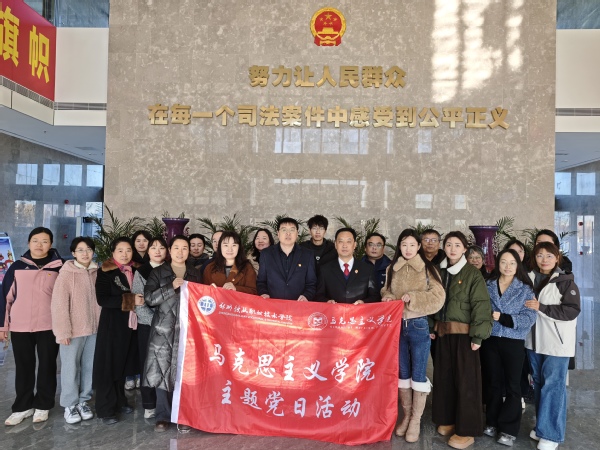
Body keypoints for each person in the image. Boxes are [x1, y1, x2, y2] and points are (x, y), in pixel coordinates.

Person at [381, 229, 445, 443]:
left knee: (418, 374)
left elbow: (438, 297)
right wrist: (388, 297)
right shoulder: (392, 268)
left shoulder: (428, 268)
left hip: (418, 325)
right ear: (399, 246)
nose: (407, 249)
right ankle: (406, 415)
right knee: (402, 372)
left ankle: (416, 420)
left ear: (418, 247)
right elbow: (385, 290)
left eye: (412, 245)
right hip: (397, 325)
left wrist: (414, 298)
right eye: (404, 245)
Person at [431, 231, 492, 449]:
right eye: (449, 244)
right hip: (443, 334)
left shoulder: (472, 274)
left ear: (465, 249)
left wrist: (478, 336)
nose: (452, 249)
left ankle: (467, 430)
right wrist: (431, 325)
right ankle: (448, 419)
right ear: (444, 247)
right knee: (444, 379)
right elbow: (431, 301)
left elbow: (481, 305)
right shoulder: (439, 271)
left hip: (465, 336)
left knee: (467, 382)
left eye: (457, 245)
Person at [1, 227, 64, 426]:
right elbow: (5, 297)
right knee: (24, 367)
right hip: (20, 326)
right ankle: (22, 407)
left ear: (51, 244)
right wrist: (3, 326)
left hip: (49, 325)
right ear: (29, 243)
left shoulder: (60, 267)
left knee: (47, 365)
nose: (39, 245)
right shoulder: (17, 266)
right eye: (35, 240)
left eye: (44, 241)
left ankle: (43, 405)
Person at [143, 235, 202, 433]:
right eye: (176, 247)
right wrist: (170, 287)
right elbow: (149, 299)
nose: (180, 252)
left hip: (188, 331)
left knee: (185, 374)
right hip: (163, 330)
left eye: (184, 248)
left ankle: (183, 415)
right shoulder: (158, 272)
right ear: (170, 250)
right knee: (162, 371)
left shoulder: (195, 273)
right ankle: (162, 416)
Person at [525, 242, 580, 450]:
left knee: (553, 386)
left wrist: (541, 307)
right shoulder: (528, 278)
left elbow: (571, 311)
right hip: (533, 341)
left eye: (549, 255)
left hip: (556, 342)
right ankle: (542, 427)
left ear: (557, 258)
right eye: (540, 255)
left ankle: (552, 434)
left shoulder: (566, 282)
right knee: (539, 383)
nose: (544, 259)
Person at [480, 249, 537, 447]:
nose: (507, 266)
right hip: (490, 339)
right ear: (497, 263)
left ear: (518, 265)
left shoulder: (525, 289)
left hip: (513, 341)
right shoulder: (487, 284)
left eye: (512, 263)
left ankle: (508, 429)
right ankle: (492, 422)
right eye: (503, 262)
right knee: (493, 382)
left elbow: (529, 317)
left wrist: (504, 318)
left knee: (513, 385)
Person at [93, 237, 142, 425]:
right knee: (108, 366)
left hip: (131, 324)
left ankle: (120, 401)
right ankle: (105, 409)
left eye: (128, 250)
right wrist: (131, 300)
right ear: (113, 252)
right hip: (112, 324)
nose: (124, 254)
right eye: (120, 250)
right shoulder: (105, 271)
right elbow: (103, 299)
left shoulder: (136, 270)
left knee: (123, 364)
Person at [51, 237, 100, 424]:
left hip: (94, 330)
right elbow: (59, 305)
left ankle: (83, 400)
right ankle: (69, 405)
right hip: (73, 331)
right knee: (70, 368)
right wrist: (62, 331)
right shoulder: (66, 274)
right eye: (80, 250)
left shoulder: (97, 272)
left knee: (89, 367)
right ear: (73, 253)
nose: (85, 253)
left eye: (88, 249)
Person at [131, 236, 168, 420]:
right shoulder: (142, 271)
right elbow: (138, 301)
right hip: (148, 325)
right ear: (148, 251)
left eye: (162, 247)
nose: (158, 251)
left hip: (169, 326)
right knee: (147, 363)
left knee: (165, 364)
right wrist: (155, 320)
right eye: (153, 247)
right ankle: (149, 403)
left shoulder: (171, 270)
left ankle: (165, 403)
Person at [257, 217, 317, 301]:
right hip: (272, 305)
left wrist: (306, 296)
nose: (288, 233)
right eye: (284, 230)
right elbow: (261, 281)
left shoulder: (308, 255)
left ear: (297, 233)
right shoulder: (266, 254)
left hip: (298, 305)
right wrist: (264, 293)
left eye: (292, 230)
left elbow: (311, 283)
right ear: (278, 233)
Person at [315, 228, 379, 304]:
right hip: (334, 311)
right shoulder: (325, 269)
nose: (344, 246)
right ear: (335, 245)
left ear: (354, 245)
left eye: (348, 241)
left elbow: (375, 296)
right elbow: (318, 296)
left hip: (359, 311)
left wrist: (363, 302)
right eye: (341, 241)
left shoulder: (367, 269)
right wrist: (327, 301)